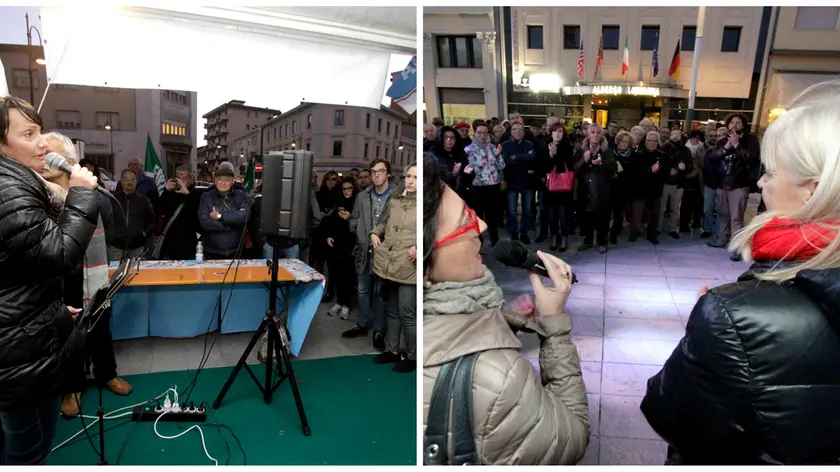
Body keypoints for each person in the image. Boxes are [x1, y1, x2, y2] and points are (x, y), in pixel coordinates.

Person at [640, 81, 840, 464]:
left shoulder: (736, 317)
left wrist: (712, 332)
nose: (761, 184)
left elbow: (669, 413)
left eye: (770, 173)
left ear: (813, 191)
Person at [422, 154, 589, 464]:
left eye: (472, 213)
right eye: (464, 221)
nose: (482, 226)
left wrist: (501, 320)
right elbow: (573, 435)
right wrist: (554, 326)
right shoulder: (499, 379)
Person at [0, 96, 99, 464]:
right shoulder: (6, 190)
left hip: (26, 340)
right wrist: (81, 195)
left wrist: (51, 312)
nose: (42, 142)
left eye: (39, 131)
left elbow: (22, 273)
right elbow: (59, 254)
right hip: (16, 358)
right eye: (29, 133)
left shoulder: (20, 183)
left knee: (27, 446)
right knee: (26, 454)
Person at [40, 133, 133, 417]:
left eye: (50, 156)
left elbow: (105, 231)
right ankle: (73, 387)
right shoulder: (37, 194)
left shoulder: (87, 191)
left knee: (100, 324)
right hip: (60, 272)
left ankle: (107, 373)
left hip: (93, 268)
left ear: (68, 161)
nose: (43, 160)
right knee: (68, 333)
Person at [371, 163, 417, 373]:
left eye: (416, 177)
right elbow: (384, 222)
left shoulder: (427, 204)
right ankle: (392, 350)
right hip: (390, 262)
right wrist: (375, 232)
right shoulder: (396, 199)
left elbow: (431, 233)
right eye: (408, 176)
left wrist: (419, 247)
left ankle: (413, 355)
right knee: (392, 309)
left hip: (409, 264)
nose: (410, 180)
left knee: (407, 312)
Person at [341, 159, 391, 351]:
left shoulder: (396, 196)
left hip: (385, 251)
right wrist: (358, 228)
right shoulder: (362, 196)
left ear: (388, 173)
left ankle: (379, 330)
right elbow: (353, 218)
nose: (376, 175)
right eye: (373, 172)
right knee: (363, 290)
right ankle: (362, 324)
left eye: (380, 171)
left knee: (381, 292)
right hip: (363, 250)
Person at [324, 176, 359, 319]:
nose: (346, 191)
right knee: (337, 274)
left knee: (349, 276)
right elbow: (331, 221)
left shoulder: (357, 202)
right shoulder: (338, 202)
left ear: (353, 188)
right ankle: (339, 302)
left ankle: (347, 305)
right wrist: (329, 235)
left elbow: (359, 224)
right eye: (344, 188)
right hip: (337, 243)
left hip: (351, 244)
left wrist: (350, 218)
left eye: (349, 188)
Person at [198, 164, 250, 259]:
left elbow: (244, 217)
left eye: (227, 180)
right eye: (220, 179)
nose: (223, 183)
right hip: (212, 251)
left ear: (232, 181)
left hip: (236, 251)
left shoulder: (241, 196)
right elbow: (204, 223)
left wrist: (219, 217)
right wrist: (232, 223)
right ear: (215, 181)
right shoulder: (206, 197)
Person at [109, 168, 156, 261]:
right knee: (114, 273)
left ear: (136, 182)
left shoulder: (143, 200)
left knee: (137, 274)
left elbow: (152, 220)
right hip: (116, 247)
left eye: (132, 180)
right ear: (121, 181)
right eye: (126, 179)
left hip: (137, 247)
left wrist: (144, 233)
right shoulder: (112, 199)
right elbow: (106, 219)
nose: (129, 182)